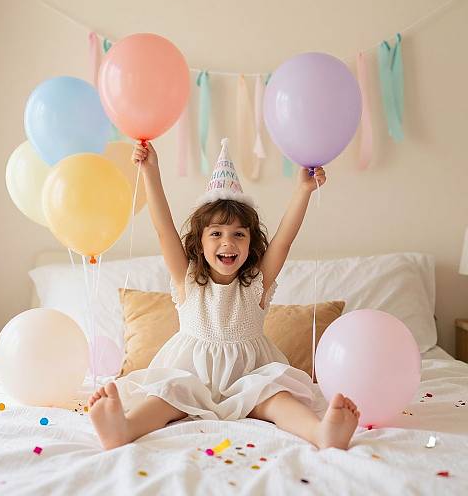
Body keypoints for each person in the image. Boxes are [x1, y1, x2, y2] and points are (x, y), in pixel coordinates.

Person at [88, 138, 359, 450]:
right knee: (166, 395)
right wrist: (151, 172)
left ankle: (320, 432)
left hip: (250, 378)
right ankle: (123, 428)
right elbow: (164, 231)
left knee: (277, 398)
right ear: (199, 243)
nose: (227, 243)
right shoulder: (187, 278)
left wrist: (303, 190)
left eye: (238, 235)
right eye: (216, 234)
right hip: (192, 377)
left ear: (251, 243)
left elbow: (283, 241)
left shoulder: (257, 281)